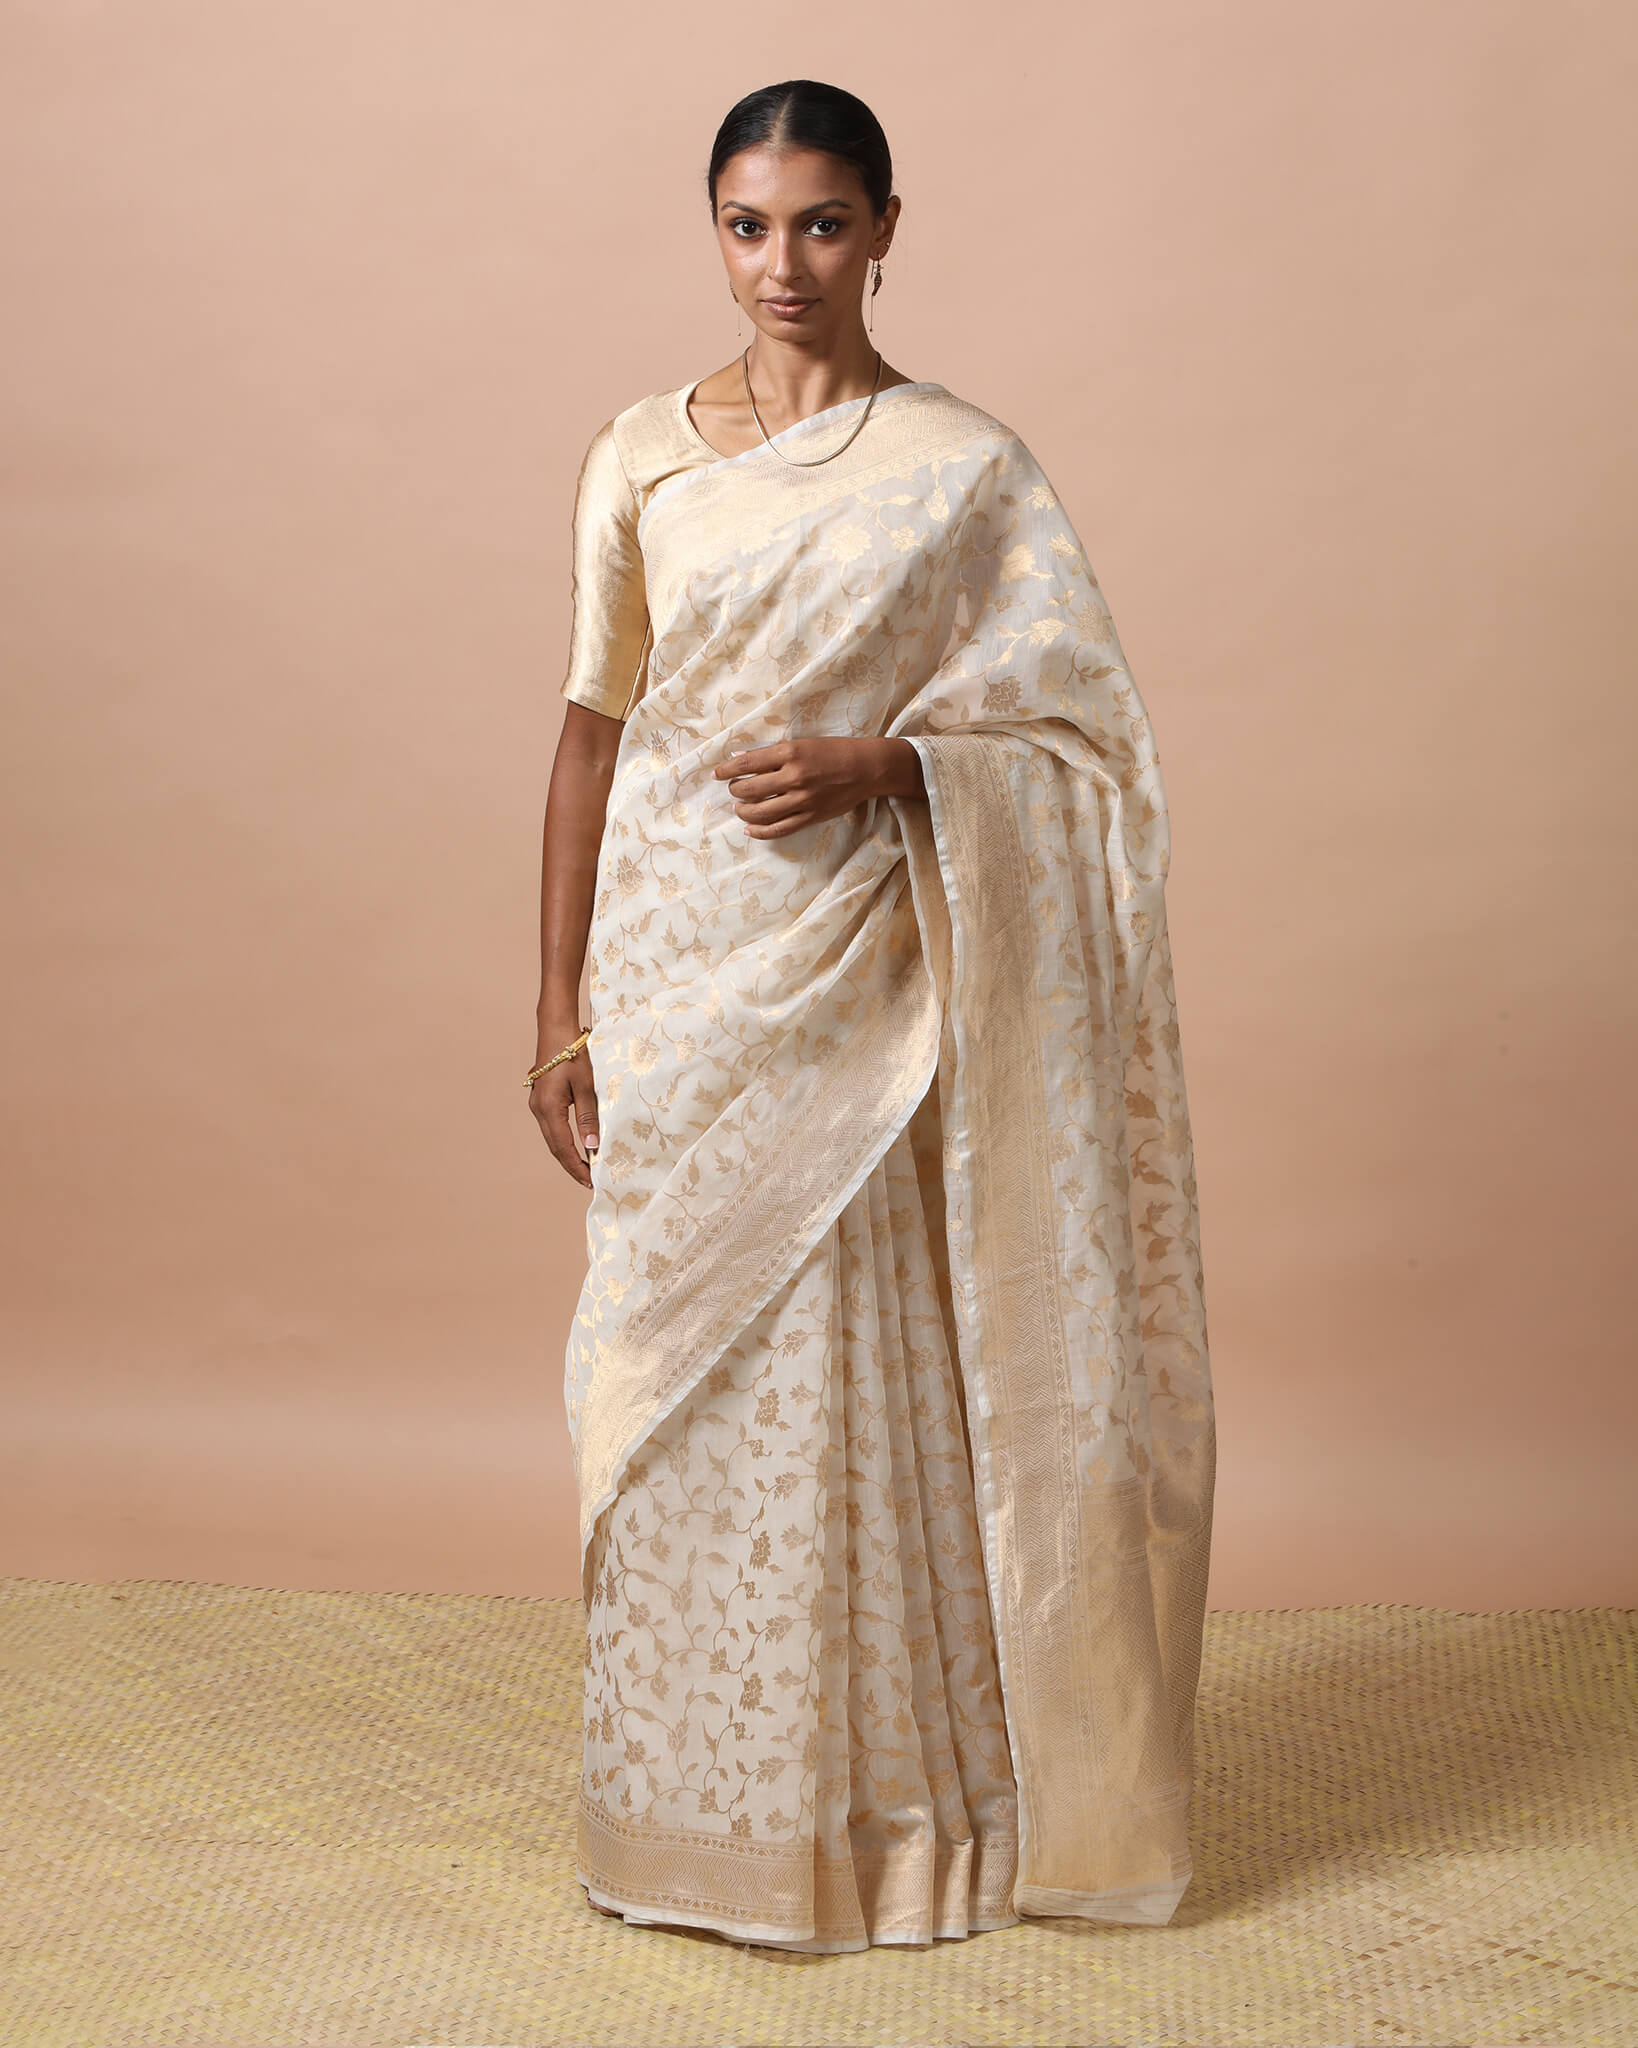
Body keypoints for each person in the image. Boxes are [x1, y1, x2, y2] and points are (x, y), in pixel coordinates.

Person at [530, 78, 1216, 1955]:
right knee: (681, 1394)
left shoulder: (964, 469)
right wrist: (556, 1007)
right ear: (713, 230)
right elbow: (590, 737)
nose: (783, 266)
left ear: (886, 229)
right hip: (679, 978)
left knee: (857, 1372)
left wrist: (892, 767)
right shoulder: (638, 458)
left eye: (821, 224)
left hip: (871, 982)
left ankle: (897, 1832)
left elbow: (1084, 753)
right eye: (746, 226)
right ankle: (693, 1819)